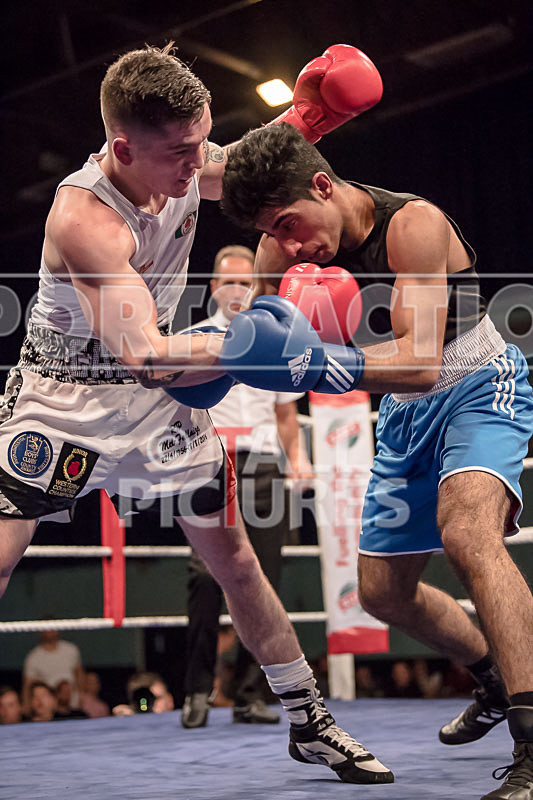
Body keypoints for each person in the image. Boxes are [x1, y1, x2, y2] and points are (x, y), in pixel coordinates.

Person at [0, 43, 392, 785]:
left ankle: (308, 721)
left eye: (199, 143)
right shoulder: (87, 220)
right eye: (181, 153)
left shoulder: (181, 160)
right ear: (123, 147)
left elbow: (245, 161)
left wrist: (319, 111)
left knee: (234, 560)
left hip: (159, 401)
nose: (194, 168)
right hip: (64, 403)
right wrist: (240, 344)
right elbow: (144, 349)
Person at [218, 122, 533, 800]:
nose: (290, 244)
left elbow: (418, 362)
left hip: (475, 382)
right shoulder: (278, 248)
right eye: (274, 231)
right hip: (400, 411)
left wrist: (313, 362)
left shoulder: (412, 224)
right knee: (383, 592)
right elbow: (261, 343)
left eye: (292, 223)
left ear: (323, 185)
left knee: (468, 536)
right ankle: (491, 679)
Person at [181, 244, 313, 729]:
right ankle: (196, 690)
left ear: (256, 286)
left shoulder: (277, 337)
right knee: (202, 577)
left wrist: (299, 462)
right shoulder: (192, 338)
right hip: (207, 464)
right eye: (229, 281)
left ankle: (252, 695)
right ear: (214, 286)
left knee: (266, 579)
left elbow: (285, 413)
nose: (238, 290)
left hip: (263, 466)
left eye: (246, 282)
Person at [22, 628, 83, 713]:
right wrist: (26, 706)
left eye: (52, 628)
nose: (50, 632)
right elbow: (27, 686)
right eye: (47, 629)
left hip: (74, 704)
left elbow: (80, 675)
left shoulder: (71, 650)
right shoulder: (33, 658)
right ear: (41, 631)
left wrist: (83, 697)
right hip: (48, 709)